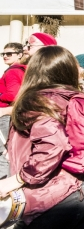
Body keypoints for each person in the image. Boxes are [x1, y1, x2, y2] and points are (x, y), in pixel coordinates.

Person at [0, 46, 84, 228]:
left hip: (52, 195)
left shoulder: (36, 100)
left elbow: (53, 145)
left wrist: (15, 180)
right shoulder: (78, 97)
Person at [0, 43, 25, 179]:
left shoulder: (12, 71)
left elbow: (13, 94)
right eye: (3, 54)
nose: (5, 56)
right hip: (13, 113)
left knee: (3, 153)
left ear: (19, 55)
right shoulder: (21, 70)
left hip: (4, 114)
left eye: (9, 54)